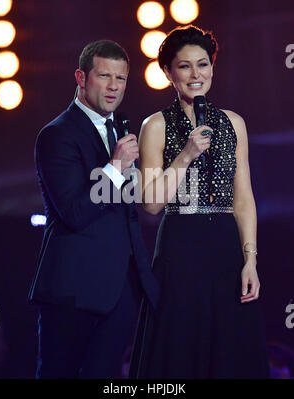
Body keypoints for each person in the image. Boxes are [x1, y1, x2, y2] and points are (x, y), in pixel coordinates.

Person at [129, 25, 269, 379]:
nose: (196, 74)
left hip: (225, 246)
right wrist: (185, 155)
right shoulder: (155, 125)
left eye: (202, 64)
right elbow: (150, 203)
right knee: (179, 347)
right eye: (185, 66)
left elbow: (243, 198)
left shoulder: (233, 123)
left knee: (232, 349)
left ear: (212, 68)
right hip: (180, 245)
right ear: (168, 73)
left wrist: (250, 259)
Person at [28, 39, 158, 379]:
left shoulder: (120, 130)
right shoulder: (56, 135)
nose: (114, 86)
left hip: (120, 291)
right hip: (73, 290)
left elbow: (128, 214)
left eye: (121, 78)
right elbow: (74, 211)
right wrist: (115, 168)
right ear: (81, 78)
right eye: (104, 76)